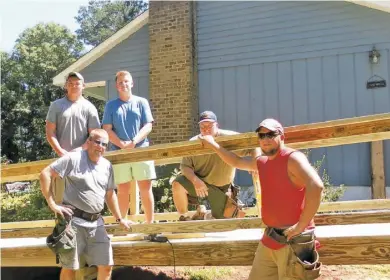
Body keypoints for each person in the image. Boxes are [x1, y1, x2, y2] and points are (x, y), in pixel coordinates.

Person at [199, 118, 324, 280]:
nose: (265, 139)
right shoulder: (262, 162)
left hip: (294, 240)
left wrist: (301, 226)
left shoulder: (292, 158)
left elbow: (316, 186)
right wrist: (214, 145)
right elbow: (236, 161)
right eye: (261, 135)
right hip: (270, 237)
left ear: (282, 136)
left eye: (271, 134)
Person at [40, 129, 130, 280]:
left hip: (97, 224)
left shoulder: (107, 165)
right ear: (88, 142)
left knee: (106, 266)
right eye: (97, 142)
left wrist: (120, 218)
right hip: (73, 223)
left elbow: (110, 193)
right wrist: (53, 204)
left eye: (104, 144)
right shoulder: (73, 158)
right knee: (70, 268)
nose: (100, 146)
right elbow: (45, 174)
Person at [172, 110, 260, 221]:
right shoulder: (193, 142)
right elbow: (185, 166)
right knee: (177, 184)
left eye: (209, 126)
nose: (206, 129)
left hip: (222, 187)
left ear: (217, 125)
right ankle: (184, 218)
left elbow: (254, 146)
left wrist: (256, 163)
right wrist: (195, 180)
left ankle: (204, 214)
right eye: (202, 126)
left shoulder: (228, 137)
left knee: (224, 224)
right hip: (201, 185)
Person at [102, 71, 156, 223]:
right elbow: (107, 128)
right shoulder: (110, 105)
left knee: (145, 187)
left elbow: (148, 126)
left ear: (132, 83)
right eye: (120, 82)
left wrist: (134, 141)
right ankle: (122, 223)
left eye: (126, 81)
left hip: (141, 149)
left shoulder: (141, 102)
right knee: (123, 189)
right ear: (116, 86)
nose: (123, 84)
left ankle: (150, 224)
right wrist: (121, 144)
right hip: (118, 152)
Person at [45, 71, 101, 203]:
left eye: (77, 83)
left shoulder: (90, 107)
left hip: (83, 160)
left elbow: (95, 135)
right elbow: (50, 131)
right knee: (60, 199)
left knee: (83, 199)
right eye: (70, 83)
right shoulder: (56, 105)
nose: (74, 86)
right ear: (66, 85)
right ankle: (62, 223)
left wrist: (80, 151)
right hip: (61, 159)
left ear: (83, 86)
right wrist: (60, 151)